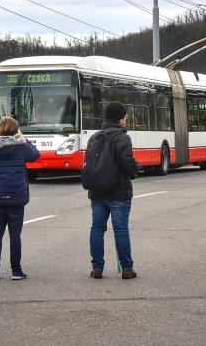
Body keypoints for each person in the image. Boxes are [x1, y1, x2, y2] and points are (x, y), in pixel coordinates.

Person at [86, 101, 140, 279]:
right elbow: (127, 163)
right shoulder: (123, 137)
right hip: (118, 192)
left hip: (97, 192)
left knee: (97, 228)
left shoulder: (94, 138)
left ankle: (97, 268)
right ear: (120, 119)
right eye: (125, 117)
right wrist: (135, 169)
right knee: (121, 229)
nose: (126, 120)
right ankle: (126, 268)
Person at [0, 116, 40, 280]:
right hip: (16, 197)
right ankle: (16, 270)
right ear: (16, 130)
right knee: (15, 235)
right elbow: (35, 154)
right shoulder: (21, 147)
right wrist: (23, 138)